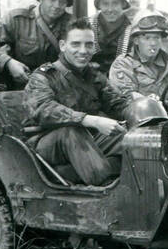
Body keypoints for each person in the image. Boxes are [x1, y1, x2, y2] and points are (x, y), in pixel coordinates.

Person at [24, 18, 131, 186]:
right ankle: (104, 189)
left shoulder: (93, 75)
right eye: (76, 44)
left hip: (86, 140)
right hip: (46, 145)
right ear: (62, 45)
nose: (83, 51)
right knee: (72, 131)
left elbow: (116, 103)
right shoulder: (44, 75)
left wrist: (139, 107)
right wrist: (92, 120)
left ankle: (73, 174)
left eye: (89, 45)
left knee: (129, 138)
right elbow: (44, 109)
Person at [109, 9, 168, 113]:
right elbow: (127, 97)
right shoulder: (123, 64)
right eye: (147, 38)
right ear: (136, 40)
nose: (153, 43)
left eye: (157, 38)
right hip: (139, 120)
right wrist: (160, 103)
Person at [88, 0, 133, 72]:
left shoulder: (133, 30)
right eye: (105, 4)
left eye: (115, 3)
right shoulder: (86, 25)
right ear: (99, 5)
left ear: (123, 4)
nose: (110, 9)